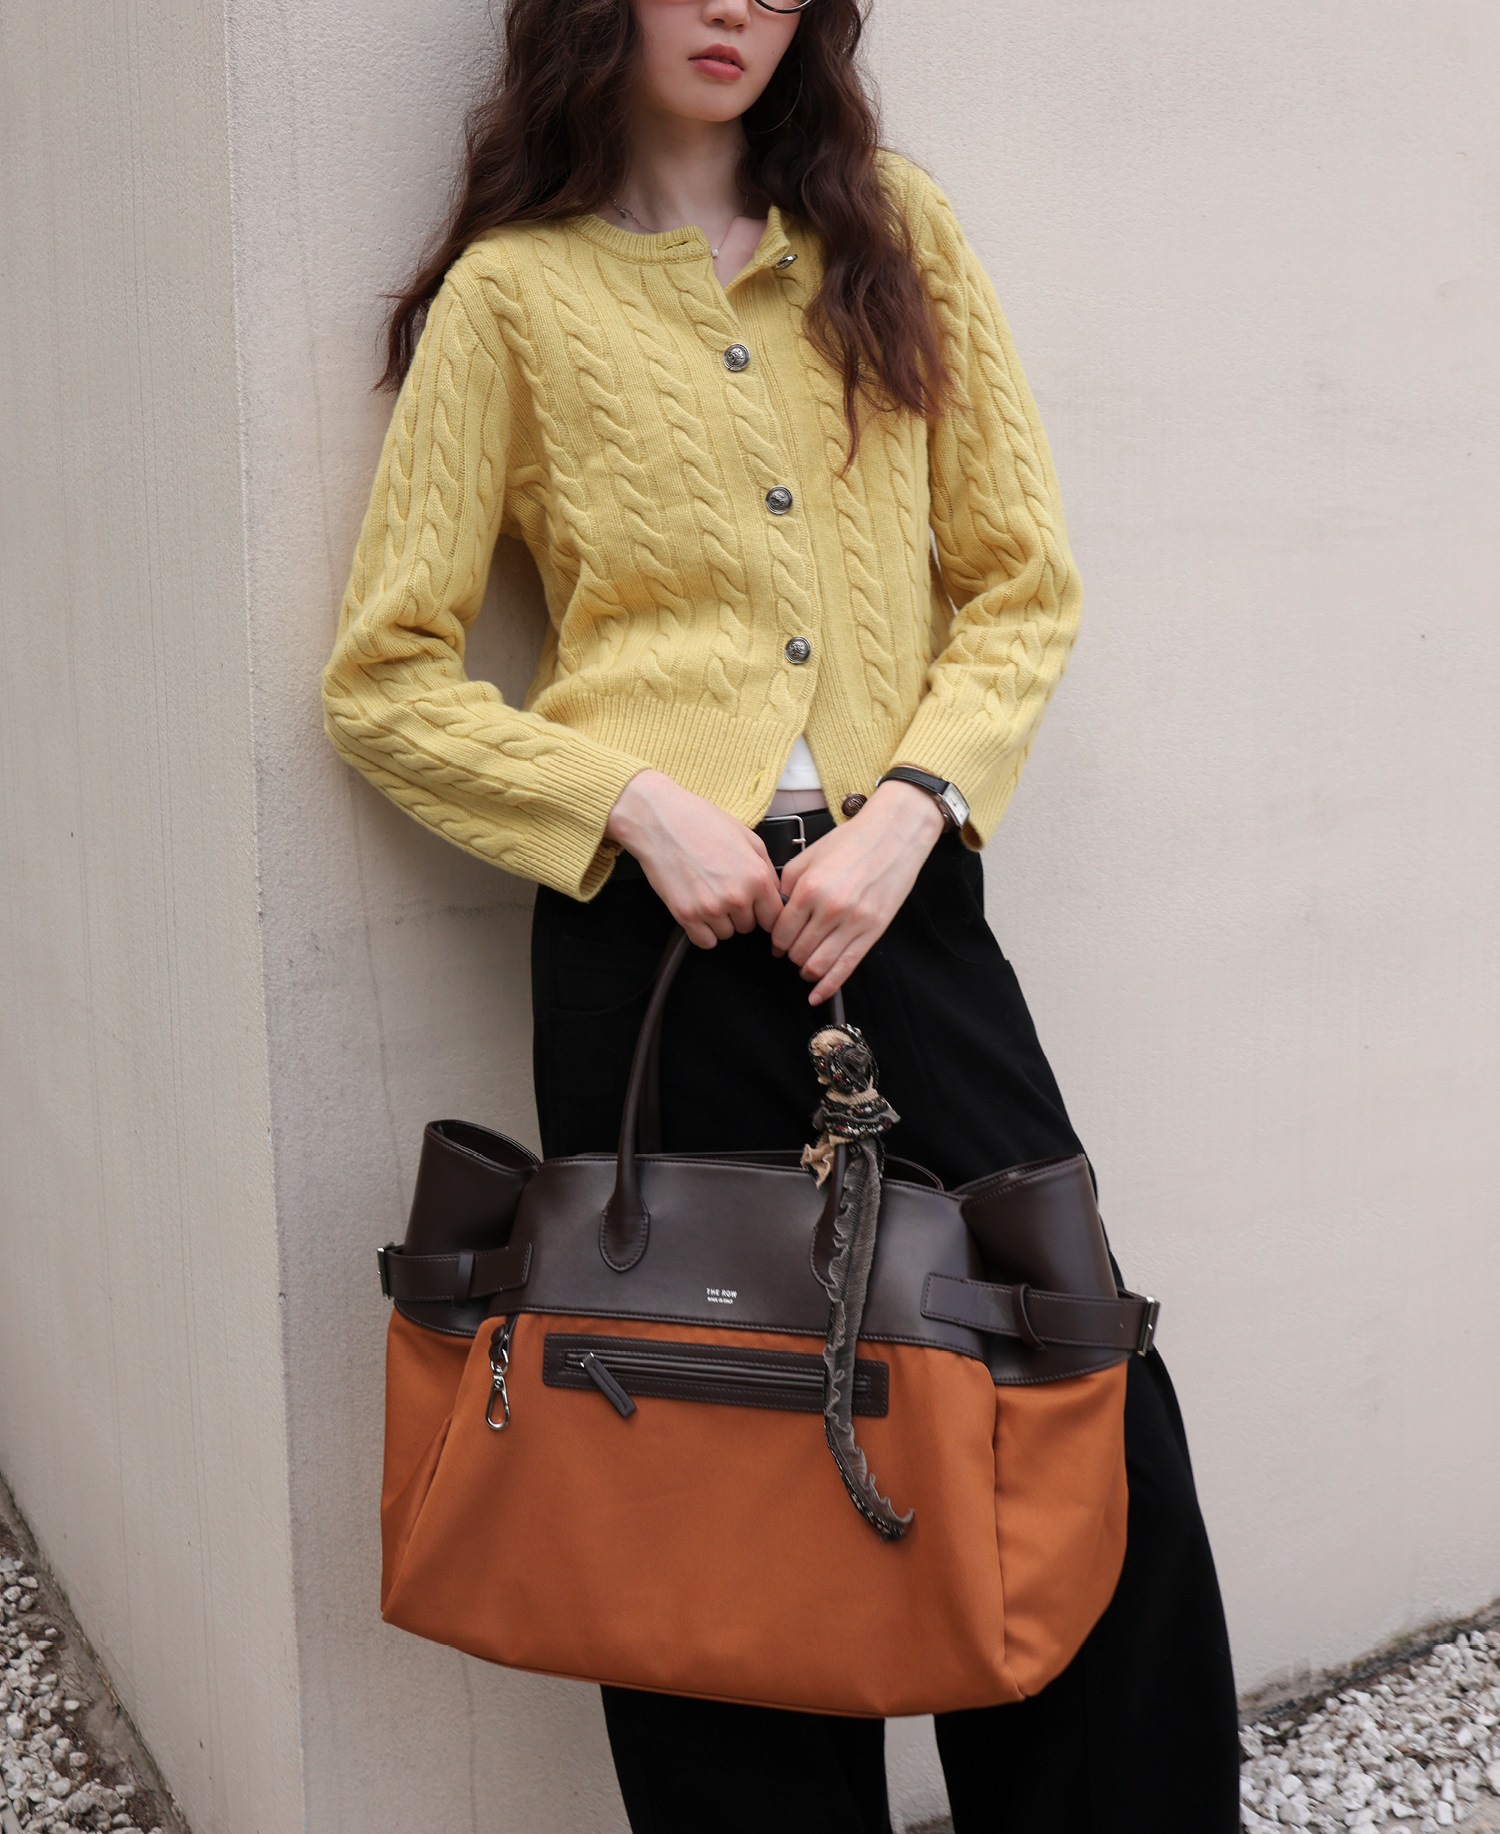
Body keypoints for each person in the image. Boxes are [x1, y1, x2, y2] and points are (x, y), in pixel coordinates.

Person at [321, 0, 1242, 1826]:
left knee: (1064, 1406)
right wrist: (627, 802)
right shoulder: (513, 299)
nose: (737, 3)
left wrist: (915, 808)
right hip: (651, 948)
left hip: (905, 916)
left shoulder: (893, 233)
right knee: (700, 1453)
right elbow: (385, 679)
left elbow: (1021, 586)